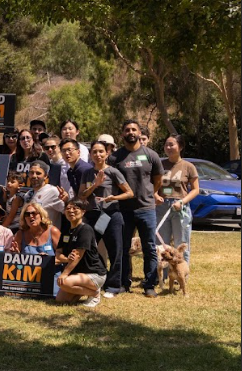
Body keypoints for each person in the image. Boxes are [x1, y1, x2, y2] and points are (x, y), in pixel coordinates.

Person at [110, 120, 164, 297]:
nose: (130, 132)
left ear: (140, 132)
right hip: (123, 210)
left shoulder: (151, 155)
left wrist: (149, 194)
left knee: (149, 247)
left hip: (146, 208)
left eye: (134, 129)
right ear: (122, 134)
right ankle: (124, 283)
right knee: (123, 248)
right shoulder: (115, 158)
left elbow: (158, 180)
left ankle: (149, 285)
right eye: (127, 130)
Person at [78, 140, 133, 297]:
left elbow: (129, 193)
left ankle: (114, 286)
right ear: (90, 154)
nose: (98, 154)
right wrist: (95, 185)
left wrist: (113, 197)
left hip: (110, 215)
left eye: (101, 151)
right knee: (91, 248)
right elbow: (81, 195)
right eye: (94, 152)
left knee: (115, 250)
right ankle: (97, 279)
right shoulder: (87, 173)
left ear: (107, 153)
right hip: (93, 216)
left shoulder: (113, 172)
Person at [55, 199, 108, 307]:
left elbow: (78, 255)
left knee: (64, 282)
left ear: (83, 212)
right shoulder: (66, 230)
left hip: (94, 273)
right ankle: (86, 291)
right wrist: (66, 259)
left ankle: (95, 293)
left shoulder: (85, 229)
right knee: (61, 299)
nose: (71, 211)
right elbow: (58, 253)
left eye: (75, 208)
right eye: (68, 208)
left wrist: (65, 274)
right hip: (78, 273)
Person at [156, 134, 199, 264]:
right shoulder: (159, 165)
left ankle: (182, 273)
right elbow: (152, 185)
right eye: (166, 145)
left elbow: (196, 189)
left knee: (182, 243)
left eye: (172, 144)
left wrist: (182, 201)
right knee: (161, 243)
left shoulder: (188, 166)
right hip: (162, 207)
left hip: (180, 208)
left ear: (180, 147)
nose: (168, 147)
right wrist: (155, 195)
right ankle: (162, 275)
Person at [8, 161, 67, 229]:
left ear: (45, 176)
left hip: (48, 236)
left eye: (38, 173)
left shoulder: (53, 191)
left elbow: (66, 212)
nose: (34, 176)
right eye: (31, 173)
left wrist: (66, 201)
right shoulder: (28, 194)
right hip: (30, 236)